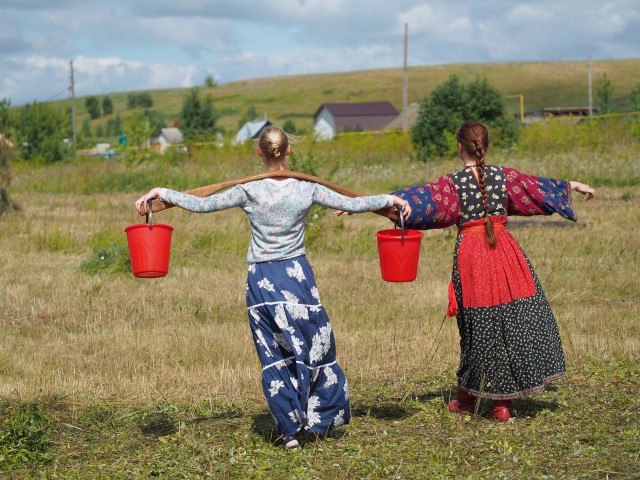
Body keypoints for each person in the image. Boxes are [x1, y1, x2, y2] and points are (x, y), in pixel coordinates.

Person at [134, 126, 411, 448]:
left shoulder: (248, 191)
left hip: (261, 282)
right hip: (297, 278)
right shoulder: (306, 189)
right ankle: (320, 418)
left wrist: (162, 191)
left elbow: (202, 205)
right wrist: (390, 198)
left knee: (276, 353)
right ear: (289, 150)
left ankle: (290, 429)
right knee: (314, 345)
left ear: (260, 152)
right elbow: (356, 201)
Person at [391, 121, 595, 421]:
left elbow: (417, 202)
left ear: (460, 147)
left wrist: (367, 204)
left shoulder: (452, 184)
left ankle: (471, 399)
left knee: (475, 326)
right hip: (505, 252)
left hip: (473, 257)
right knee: (508, 324)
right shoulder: (504, 176)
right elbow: (538, 188)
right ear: (485, 146)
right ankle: (500, 405)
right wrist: (573, 185)